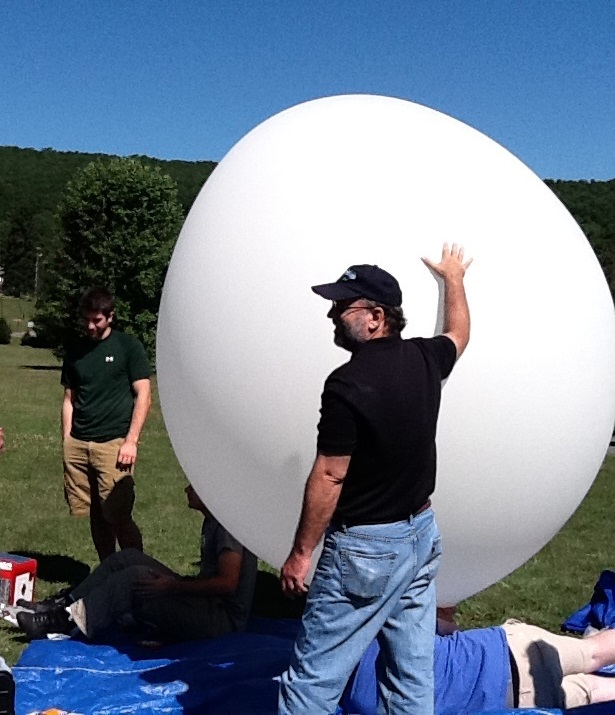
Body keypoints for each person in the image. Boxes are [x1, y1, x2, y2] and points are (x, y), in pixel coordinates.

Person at [279, 244, 472, 715]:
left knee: (311, 683)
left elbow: (329, 474)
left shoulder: (347, 384)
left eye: (342, 306)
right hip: (420, 537)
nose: (332, 313)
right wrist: (454, 279)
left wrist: (301, 554)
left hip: (364, 552)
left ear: (375, 316)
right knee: (410, 677)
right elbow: (459, 333)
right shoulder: (426, 360)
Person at [16, 484, 258, 643]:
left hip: (222, 622)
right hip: (205, 604)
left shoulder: (227, 526)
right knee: (127, 557)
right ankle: (61, 607)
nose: (185, 489)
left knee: (134, 579)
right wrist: (177, 583)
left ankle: (65, 625)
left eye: (193, 485)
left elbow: (228, 584)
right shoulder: (213, 520)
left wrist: (171, 587)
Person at [342, 620, 615, 713]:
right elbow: (448, 626)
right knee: (593, 653)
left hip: (514, 700)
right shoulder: (373, 626)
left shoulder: (349, 697)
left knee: (591, 688)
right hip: (504, 648)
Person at [61, 287, 151, 560]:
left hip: (113, 443)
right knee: (96, 513)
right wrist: (68, 439)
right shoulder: (76, 351)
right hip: (79, 443)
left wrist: (131, 441)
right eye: (86, 319)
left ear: (110, 317)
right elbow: (69, 398)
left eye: (96, 320)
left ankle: (136, 568)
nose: (90, 326)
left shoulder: (128, 347)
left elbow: (144, 394)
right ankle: (107, 569)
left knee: (118, 514)